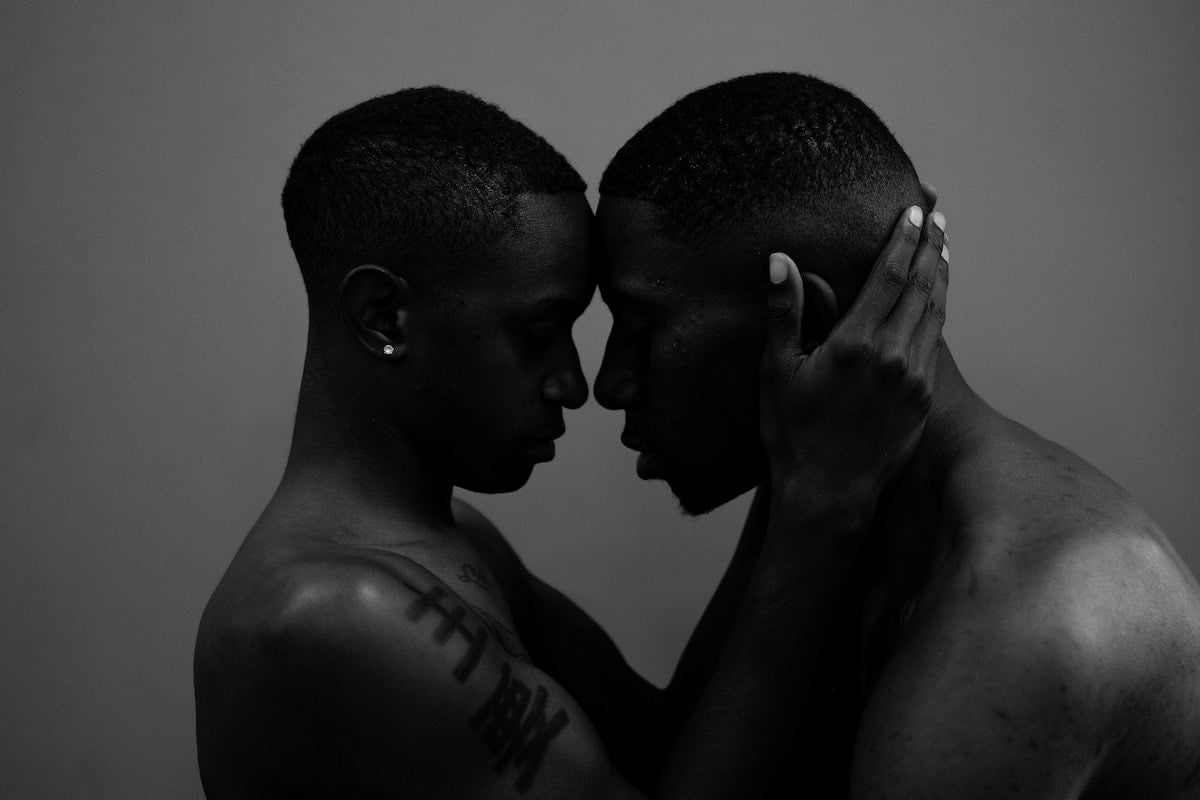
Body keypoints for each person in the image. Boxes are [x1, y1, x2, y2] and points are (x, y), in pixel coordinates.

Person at [193, 86, 950, 799]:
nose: (574, 384)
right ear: (385, 316)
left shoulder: (454, 545)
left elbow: (663, 748)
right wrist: (820, 508)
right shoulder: (332, 614)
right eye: (536, 333)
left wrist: (795, 452)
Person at [594, 71, 1200, 798]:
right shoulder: (824, 483)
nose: (610, 383)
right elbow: (679, 762)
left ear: (808, 326)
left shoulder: (1025, 616)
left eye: (639, 326)